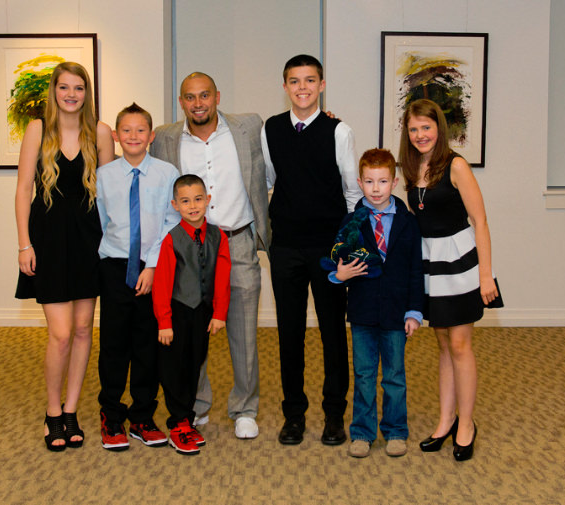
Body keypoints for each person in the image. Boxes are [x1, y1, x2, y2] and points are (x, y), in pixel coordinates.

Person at [150, 72, 268, 440]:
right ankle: (195, 405)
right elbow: (137, 157)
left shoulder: (248, 127)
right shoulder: (165, 138)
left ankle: (245, 408)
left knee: (243, 333)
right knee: (190, 331)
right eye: (190, 97)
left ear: (217, 96)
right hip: (188, 246)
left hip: (236, 241)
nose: (198, 103)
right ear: (180, 101)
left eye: (204, 95)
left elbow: (287, 135)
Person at [262, 54, 363, 445]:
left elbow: (352, 192)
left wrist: (348, 246)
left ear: (321, 85)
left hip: (328, 248)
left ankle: (334, 414)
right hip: (285, 245)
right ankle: (294, 415)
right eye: (294, 81)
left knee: (333, 331)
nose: (302, 87)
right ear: (285, 86)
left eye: (309, 80)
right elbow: (272, 178)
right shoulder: (270, 129)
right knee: (290, 333)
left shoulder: (339, 131)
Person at [15, 61, 114, 451]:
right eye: (64, 87)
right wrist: (24, 244)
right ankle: (52, 412)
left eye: (79, 88)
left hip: (91, 241)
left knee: (83, 329)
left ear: (87, 93)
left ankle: (71, 411)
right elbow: (24, 190)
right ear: (54, 91)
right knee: (59, 334)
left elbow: (110, 194)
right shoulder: (37, 130)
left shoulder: (101, 133)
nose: (72, 94)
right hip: (49, 242)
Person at [399, 98, 503, 461]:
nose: (420, 135)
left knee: (460, 346)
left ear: (439, 129)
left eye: (426, 128)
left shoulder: (456, 165)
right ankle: (445, 421)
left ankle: (467, 424)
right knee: (443, 345)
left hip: (460, 265)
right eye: (413, 129)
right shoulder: (412, 167)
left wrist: (486, 275)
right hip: (430, 265)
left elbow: (481, 221)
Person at [326, 148, 423, 458]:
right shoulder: (352, 221)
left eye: (383, 181)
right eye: (369, 182)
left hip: (396, 313)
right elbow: (337, 260)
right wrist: (338, 274)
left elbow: (415, 269)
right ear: (360, 182)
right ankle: (363, 432)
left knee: (394, 376)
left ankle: (395, 431)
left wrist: (414, 311)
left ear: (394, 183)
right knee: (365, 375)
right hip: (363, 313)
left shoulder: (408, 223)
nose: (376, 188)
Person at [95, 103, 180, 451]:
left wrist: (153, 265)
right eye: (126, 131)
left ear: (151, 135)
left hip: (152, 267)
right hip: (115, 267)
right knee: (114, 344)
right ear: (116, 136)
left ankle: (143, 416)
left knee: (148, 345)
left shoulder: (166, 172)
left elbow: (171, 222)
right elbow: (101, 220)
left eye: (140, 130)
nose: (133, 136)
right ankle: (111, 415)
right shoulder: (104, 175)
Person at [153, 174, 232, 455]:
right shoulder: (171, 240)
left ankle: (186, 419)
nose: (193, 206)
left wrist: (219, 313)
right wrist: (164, 322)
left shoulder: (218, 236)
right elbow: (161, 284)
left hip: (202, 312)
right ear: (175, 205)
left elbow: (222, 276)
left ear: (208, 200)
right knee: (175, 368)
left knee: (194, 363)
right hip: (176, 312)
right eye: (185, 201)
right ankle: (178, 422)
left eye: (198, 199)